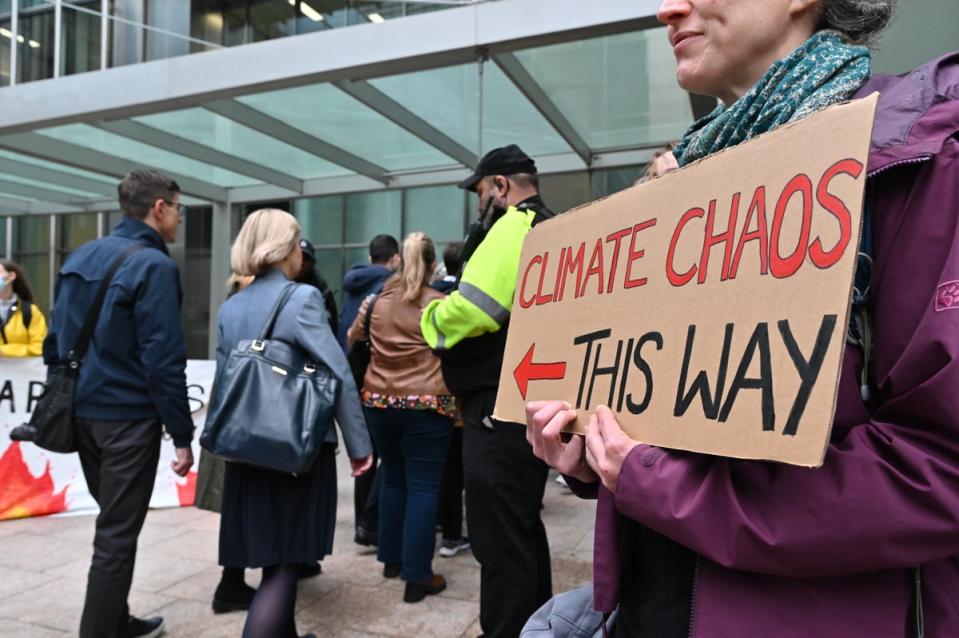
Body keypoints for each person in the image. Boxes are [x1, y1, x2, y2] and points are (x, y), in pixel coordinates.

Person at [525, 1, 959, 637]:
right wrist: (595, 451)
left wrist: (653, 482)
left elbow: (939, 469)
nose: (667, 9)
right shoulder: (685, 186)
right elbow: (677, 432)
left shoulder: (920, 159)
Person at [43, 169, 195, 638]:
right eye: (178, 209)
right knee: (116, 537)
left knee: (113, 526)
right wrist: (183, 436)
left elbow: (54, 342)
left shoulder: (82, 255)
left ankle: (116, 619)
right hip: (127, 422)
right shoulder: (154, 266)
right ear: (159, 208)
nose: (180, 219)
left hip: (83, 415)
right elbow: (163, 359)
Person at [216, 208, 373, 638]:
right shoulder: (301, 298)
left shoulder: (231, 306)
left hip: (247, 448)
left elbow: (225, 381)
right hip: (295, 449)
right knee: (285, 565)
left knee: (273, 553)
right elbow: (338, 371)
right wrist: (359, 445)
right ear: (284, 247)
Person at [420, 144, 555, 638]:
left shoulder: (514, 225)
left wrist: (431, 318)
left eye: (481, 190)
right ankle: (537, 628)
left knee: (499, 545)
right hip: (521, 399)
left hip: (495, 409)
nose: (479, 202)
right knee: (520, 530)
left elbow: (475, 308)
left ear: (500, 186)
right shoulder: (547, 224)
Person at [348, 231, 456, 603]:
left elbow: (352, 339)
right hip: (427, 405)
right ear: (428, 265)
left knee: (393, 478)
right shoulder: (439, 303)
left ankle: (392, 560)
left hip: (378, 403)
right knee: (424, 487)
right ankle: (417, 577)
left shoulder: (375, 300)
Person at [337, 233, 400, 548]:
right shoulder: (387, 289)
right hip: (376, 382)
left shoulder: (351, 286)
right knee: (385, 456)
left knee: (364, 455)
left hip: (351, 379)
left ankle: (364, 521)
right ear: (395, 258)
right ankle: (369, 523)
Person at [429, 242, 469, 557]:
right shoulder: (461, 301)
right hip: (456, 401)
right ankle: (453, 535)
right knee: (455, 470)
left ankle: (443, 524)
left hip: (429, 399)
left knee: (441, 470)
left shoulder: (429, 297)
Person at [0, 260, 47, 357]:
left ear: (11, 276)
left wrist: (4, 351)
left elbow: (39, 347)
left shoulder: (29, 311)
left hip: (22, 371)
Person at [296, 239, 338, 336]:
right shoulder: (283, 281)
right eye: (299, 257)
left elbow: (331, 324)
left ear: (312, 263)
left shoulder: (321, 287)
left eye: (306, 258)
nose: (302, 262)